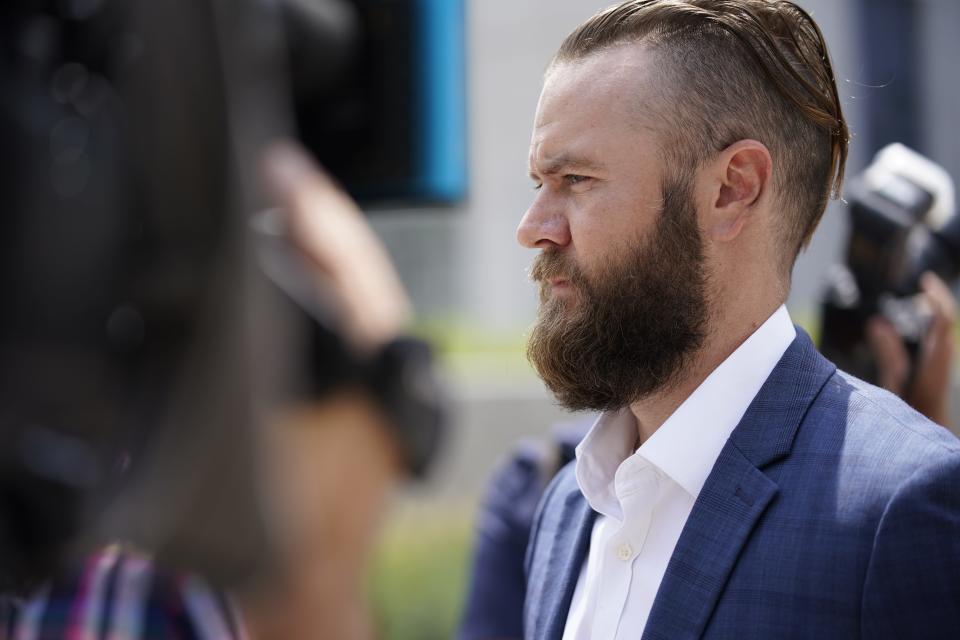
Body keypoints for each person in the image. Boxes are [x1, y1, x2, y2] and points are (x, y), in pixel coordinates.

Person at [515, 2, 960, 639]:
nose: (532, 228)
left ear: (731, 189)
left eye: (576, 179)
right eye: (538, 182)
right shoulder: (567, 506)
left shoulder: (903, 504)